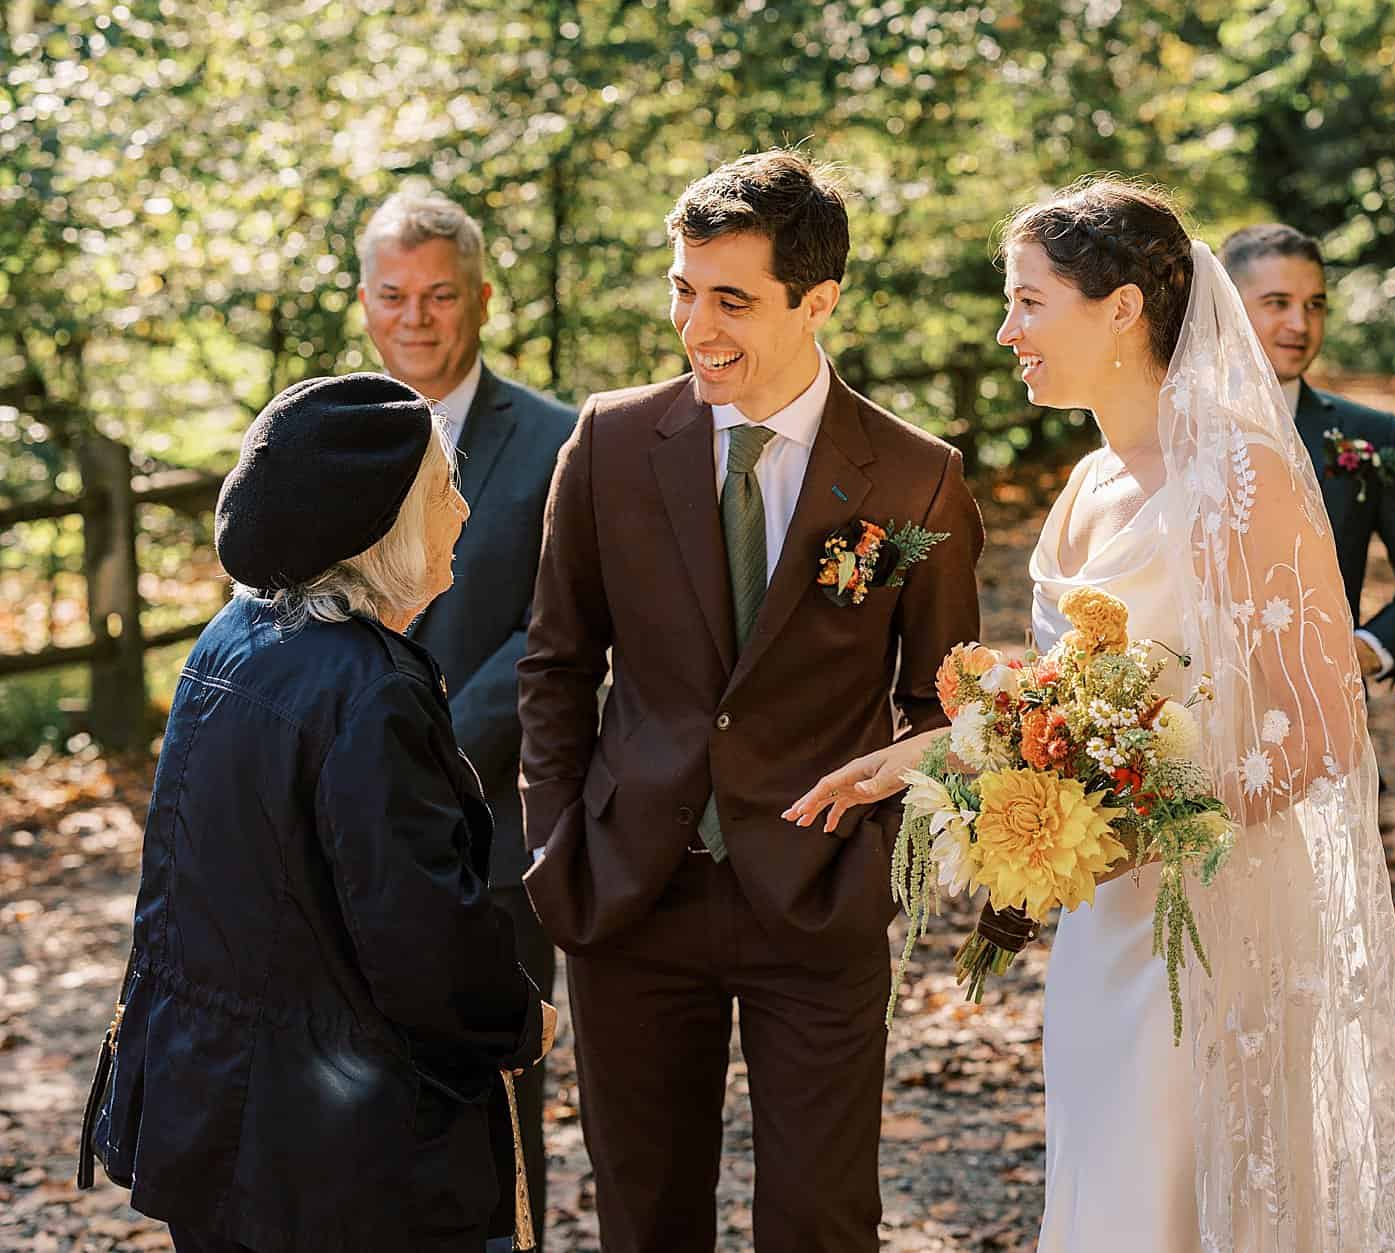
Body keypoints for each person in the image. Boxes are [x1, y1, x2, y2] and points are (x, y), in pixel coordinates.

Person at [790, 180, 1395, 1252]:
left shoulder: (1242, 476)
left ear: (1120, 308)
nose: (1006, 331)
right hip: (1097, 921)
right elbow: (1067, 695)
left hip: (1205, 923)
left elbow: (1320, 731)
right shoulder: (1084, 483)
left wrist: (1137, 823)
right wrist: (927, 757)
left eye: (1029, 302)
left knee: (1167, 1200)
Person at [515, 149, 984, 1253]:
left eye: (731, 299)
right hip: (630, 893)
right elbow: (555, 665)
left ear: (818, 301)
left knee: (821, 1223)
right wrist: (557, 848)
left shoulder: (915, 476)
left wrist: (880, 842)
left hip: (818, 895)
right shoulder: (611, 441)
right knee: (642, 1215)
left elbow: (946, 707)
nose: (695, 326)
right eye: (682, 288)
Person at [81, 373, 558, 1252]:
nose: (461, 512)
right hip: (337, 1155)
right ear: (382, 527)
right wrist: (518, 1018)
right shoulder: (369, 689)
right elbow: (422, 939)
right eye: (443, 491)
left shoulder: (232, 638)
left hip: (226, 1115)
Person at [359, 192, 576, 1242]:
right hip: (348, 823)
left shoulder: (556, 440)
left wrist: (423, 727)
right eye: (394, 295)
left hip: (494, 825)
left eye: (440, 294)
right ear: (364, 302)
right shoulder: (326, 433)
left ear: (480, 298)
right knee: (358, 1084)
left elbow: (560, 631)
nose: (417, 317)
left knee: (497, 1089)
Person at [1221, 223, 1395, 679]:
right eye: (1278, 303)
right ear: (1227, 309)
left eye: (1315, 306)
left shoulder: (1368, 433)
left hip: (1321, 719)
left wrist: (1368, 648)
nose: (1300, 325)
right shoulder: (1168, 427)